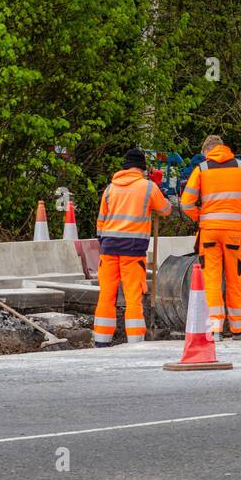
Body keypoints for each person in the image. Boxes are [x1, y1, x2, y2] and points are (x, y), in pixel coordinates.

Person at [180, 134, 241, 339]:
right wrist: (239, 215)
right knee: (234, 279)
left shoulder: (202, 169)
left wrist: (200, 218)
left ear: (207, 152)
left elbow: (186, 203)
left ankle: (215, 330)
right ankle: (239, 329)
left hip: (209, 232)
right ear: (223, 148)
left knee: (212, 279)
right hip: (234, 233)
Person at [93, 147, 171, 347]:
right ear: (142, 168)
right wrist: (159, 188)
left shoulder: (110, 188)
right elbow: (165, 210)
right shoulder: (148, 187)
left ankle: (101, 341)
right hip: (133, 250)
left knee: (106, 295)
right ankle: (135, 342)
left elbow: (100, 223)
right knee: (133, 297)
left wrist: (105, 243)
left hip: (109, 249)